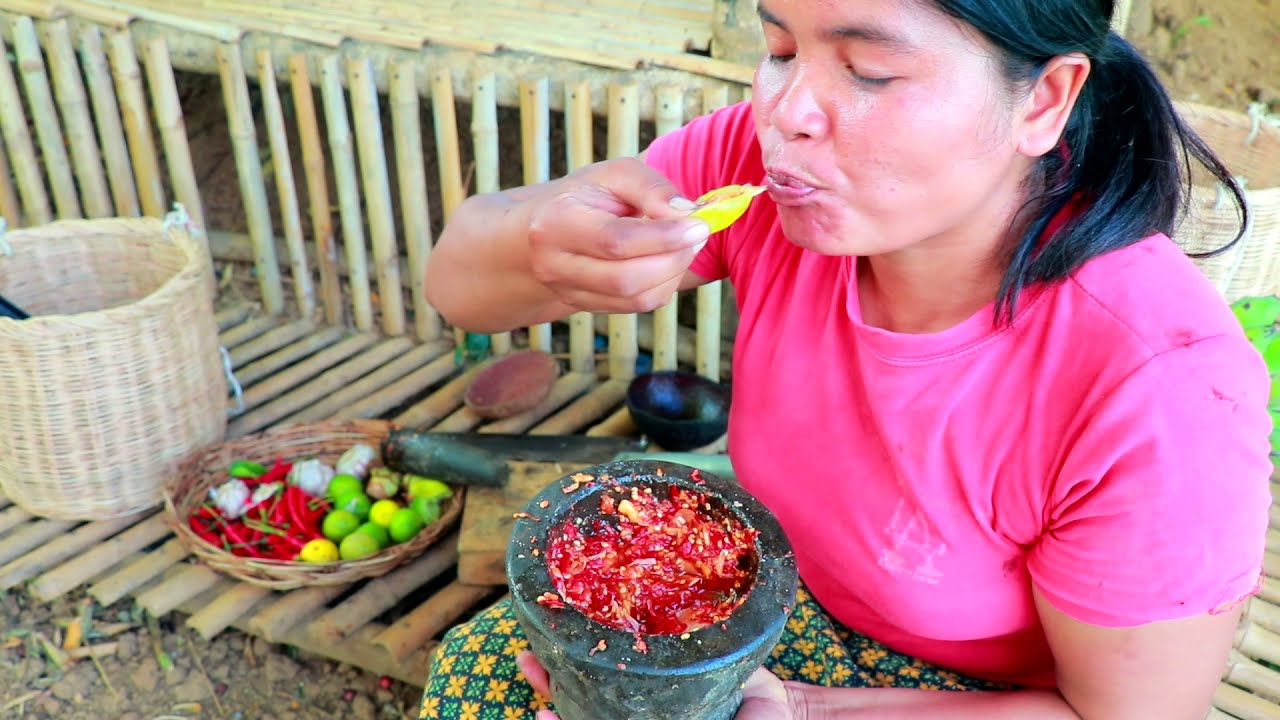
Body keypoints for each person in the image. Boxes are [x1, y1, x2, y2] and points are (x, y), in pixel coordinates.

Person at [418, 0, 1273, 718]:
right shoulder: (763, 176)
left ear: (1044, 101)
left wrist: (799, 709)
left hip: (981, 697)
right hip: (782, 599)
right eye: (780, 48)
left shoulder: (1162, 390)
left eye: (867, 71)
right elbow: (457, 287)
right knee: (482, 673)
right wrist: (544, 245)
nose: (788, 110)